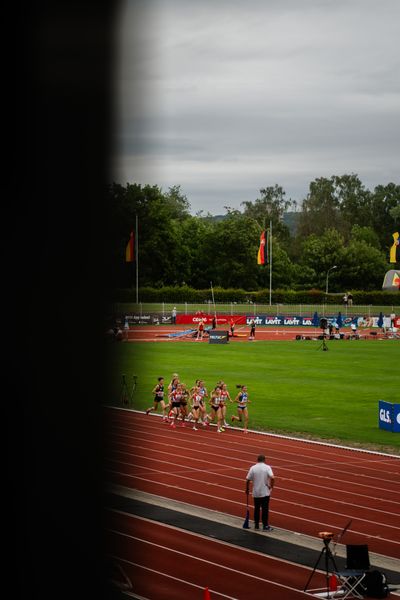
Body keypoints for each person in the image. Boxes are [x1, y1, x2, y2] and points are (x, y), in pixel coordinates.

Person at [245, 454, 275, 531]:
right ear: (264, 460)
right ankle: (265, 526)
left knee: (257, 509)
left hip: (256, 492)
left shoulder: (253, 468)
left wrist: (247, 489)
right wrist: (271, 487)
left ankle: (256, 526)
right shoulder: (267, 467)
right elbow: (272, 477)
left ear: (257, 460)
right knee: (265, 509)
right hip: (265, 492)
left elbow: (248, 479)